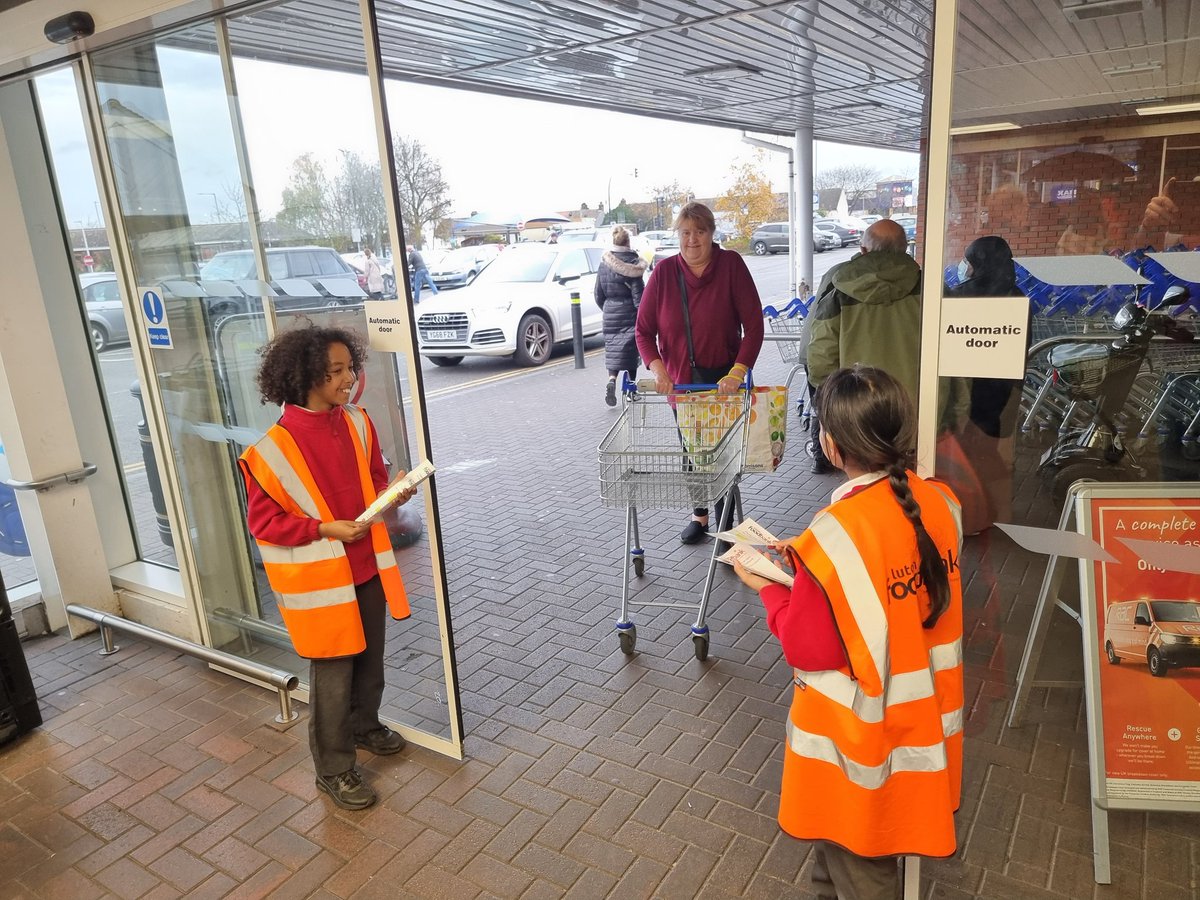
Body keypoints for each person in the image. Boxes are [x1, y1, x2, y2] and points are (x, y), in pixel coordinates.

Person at [732, 365, 964, 900]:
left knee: (861, 860)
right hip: (926, 722)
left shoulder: (836, 532)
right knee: (841, 849)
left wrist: (768, 586)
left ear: (831, 445)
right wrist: (808, 561)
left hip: (861, 736)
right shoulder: (942, 502)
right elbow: (894, 576)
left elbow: (807, 645)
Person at [238, 325, 417, 812]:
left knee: (369, 662)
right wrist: (324, 529)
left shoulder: (358, 422)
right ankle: (333, 769)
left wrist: (394, 493)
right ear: (305, 378)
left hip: (366, 566)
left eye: (349, 367)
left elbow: (374, 483)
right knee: (333, 675)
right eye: (335, 372)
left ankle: (364, 726)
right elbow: (265, 522)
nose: (348, 379)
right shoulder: (270, 450)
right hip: (321, 582)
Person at [635, 201, 764, 544]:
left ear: (712, 234)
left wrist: (738, 372)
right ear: (678, 235)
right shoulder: (663, 274)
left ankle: (724, 521)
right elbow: (643, 332)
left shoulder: (731, 266)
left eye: (700, 232)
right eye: (685, 232)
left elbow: (753, 327)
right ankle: (700, 515)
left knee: (722, 455)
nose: (692, 240)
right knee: (692, 454)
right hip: (682, 385)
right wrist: (658, 368)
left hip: (724, 382)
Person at [946, 236, 1028, 528]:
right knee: (993, 456)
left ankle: (967, 516)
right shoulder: (1017, 298)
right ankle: (999, 512)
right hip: (1001, 391)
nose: (963, 266)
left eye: (968, 260)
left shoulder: (956, 297)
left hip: (963, 390)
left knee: (962, 457)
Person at [596, 225, 647, 406]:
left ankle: (612, 380)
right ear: (628, 242)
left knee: (614, 352)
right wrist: (644, 316)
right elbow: (639, 299)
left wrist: (608, 309)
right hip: (630, 314)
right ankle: (630, 391)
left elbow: (598, 294)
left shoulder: (604, 265)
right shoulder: (633, 265)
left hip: (610, 313)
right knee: (630, 354)